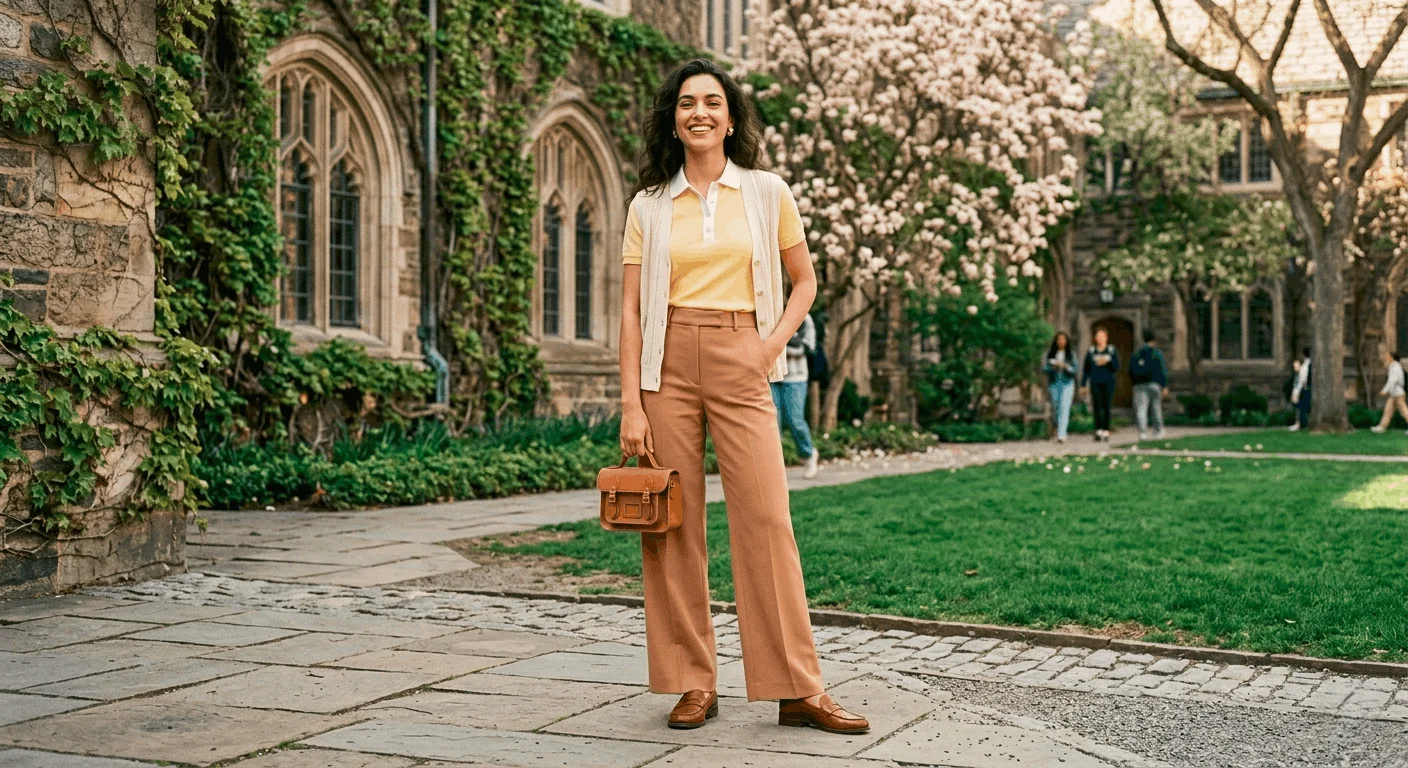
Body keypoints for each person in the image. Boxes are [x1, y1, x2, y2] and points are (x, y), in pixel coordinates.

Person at [617, 59, 867, 735]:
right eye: (686, 103)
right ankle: (692, 682)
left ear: (731, 118)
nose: (699, 112)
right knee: (673, 527)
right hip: (665, 364)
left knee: (767, 520)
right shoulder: (647, 205)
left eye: (712, 102)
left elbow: (805, 282)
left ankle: (797, 689)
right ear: (673, 118)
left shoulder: (765, 192)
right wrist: (632, 403)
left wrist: (770, 345)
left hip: (741, 354)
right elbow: (632, 308)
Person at [774, 313, 819, 478]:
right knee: (771, 421)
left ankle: (808, 455)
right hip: (771, 376)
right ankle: (773, 465)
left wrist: (777, 343)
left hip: (795, 377)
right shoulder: (768, 314)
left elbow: (806, 347)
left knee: (795, 419)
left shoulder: (804, 318)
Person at [1080, 327, 1120, 442]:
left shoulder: (1111, 350)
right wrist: (1083, 384)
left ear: (1106, 337)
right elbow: (1086, 369)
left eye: (1102, 336)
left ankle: (1106, 430)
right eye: (1098, 336)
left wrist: (1107, 361)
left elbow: (1116, 367)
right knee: (1097, 405)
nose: (1100, 339)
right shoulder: (1092, 351)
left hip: (1108, 381)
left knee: (1106, 406)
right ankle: (1098, 430)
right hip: (1095, 381)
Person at [1129, 328, 1169, 441]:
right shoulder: (1157, 353)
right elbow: (1162, 370)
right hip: (1154, 384)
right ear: (1154, 339)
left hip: (1139, 385)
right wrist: (1164, 385)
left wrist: (1134, 382)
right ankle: (1158, 431)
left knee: (1141, 409)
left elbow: (1131, 370)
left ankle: (1143, 433)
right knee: (1156, 408)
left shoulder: (1137, 353)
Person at [1042, 331, 1077, 443]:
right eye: (1059, 339)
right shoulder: (1050, 354)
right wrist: (1054, 367)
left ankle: (1062, 434)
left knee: (1064, 407)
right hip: (1055, 383)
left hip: (1067, 383)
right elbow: (1044, 369)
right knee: (1056, 407)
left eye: (1063, 339)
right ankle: (1056, 427)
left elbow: (1075, 369)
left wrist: (1066, 366)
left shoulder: (1071, 354)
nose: (1061, 342)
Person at [1371, 349, 1408, 434]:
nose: (1385, 357)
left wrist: (1384, 390)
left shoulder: (1395, 368)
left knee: (1404, 410)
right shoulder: (1393, 367)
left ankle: (1381, 427)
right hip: (1394, 394)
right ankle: (1382, 427)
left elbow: (1392, 381)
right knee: (1388, 410)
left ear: (1392, 358)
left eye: (1387, 356)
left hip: (1398, 394)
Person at [1290, 347, 1311, 431]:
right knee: (1302, 407)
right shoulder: (1306, 364)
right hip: (1303, 388)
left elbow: (1303, 379)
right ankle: (1301, 423)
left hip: (1305, 388)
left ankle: (1301, 423)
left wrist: (1297, 390)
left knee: (1302, 408)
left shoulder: (1307, 365)